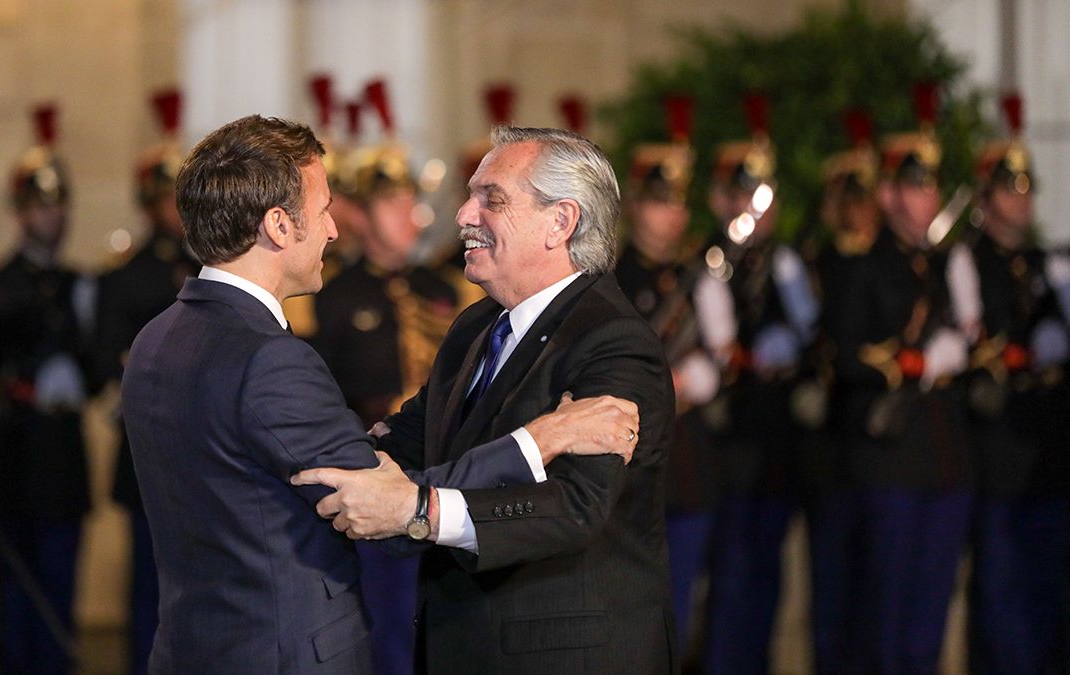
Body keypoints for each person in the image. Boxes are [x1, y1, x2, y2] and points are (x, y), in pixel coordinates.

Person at [120, 115, 640, 675]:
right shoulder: (267, 356)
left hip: (193, 648)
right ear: (277, 225)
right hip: (284, 655)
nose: (333, 231)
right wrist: (540, 439)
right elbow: (382, 510)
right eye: (322, 212)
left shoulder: (160, 336)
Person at [295, 125, 676, 674]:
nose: (464, 215)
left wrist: (422, 510)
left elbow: (574, 507)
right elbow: (407, 444)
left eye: (491, 199)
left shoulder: (613, 341)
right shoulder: (476, 326)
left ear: (560, 222)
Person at [309, 81, 456, 675]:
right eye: (393, 202)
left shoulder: (444, 289)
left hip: (446, 477)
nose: (411, 214)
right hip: (373, 473)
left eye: (410, 200)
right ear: (361, 214)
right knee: (387, 635)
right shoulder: (333, 297)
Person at [833, 83, 974, 673]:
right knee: (885, 613)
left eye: (930, 185)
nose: (926, 196)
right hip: (890, 459)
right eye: (914, 185)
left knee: (931, 609)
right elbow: (846, 354)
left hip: (946, 458)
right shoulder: (867, 266)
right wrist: (913, 362)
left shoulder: (947, 262)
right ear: (888, 193)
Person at [0, 103, 92, 675]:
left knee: (60, 594)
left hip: (64, 460)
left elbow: (96, 374)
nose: (54, 216)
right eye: (43, 204)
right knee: (17, 600)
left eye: (59, 203)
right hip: (15, 459)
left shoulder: (78, 285)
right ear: (21, 211)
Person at [701, 94, 819, 675]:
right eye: (746, 194)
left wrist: (803, 337)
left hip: (776, 443)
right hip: (724, 443)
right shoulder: (708, 261)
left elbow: (815, 342)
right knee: (728, 576)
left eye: (765, 196)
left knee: (765, 574)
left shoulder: (787, 261)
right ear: (721, 199)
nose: (758, 209)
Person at [962, 93, 1070, 675]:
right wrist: (1029, 351)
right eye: (1009, 188)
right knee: (1003, 607)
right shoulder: (971, 261)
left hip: (1048, 454)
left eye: (1026, 189)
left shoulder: (1042, 262)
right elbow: (983, 347)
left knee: (1046, 603)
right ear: (984, 197)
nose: (1021, 201)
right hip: (1001, 455)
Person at [614, 95, 725, 653]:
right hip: (631, 471)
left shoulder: (697, 275)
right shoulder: (608, 278)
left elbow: (721, 355)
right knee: (632, 618)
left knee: (681, 616)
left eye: (679, 202)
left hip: (690, 464)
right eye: (660, 201)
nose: (673, 214)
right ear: (635, 204)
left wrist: (710, 368)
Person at [91, 88, 196, 675]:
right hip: (150, 442)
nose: (171, 211)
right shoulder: (127, 277)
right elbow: (110, 355)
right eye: (163, 199)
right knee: (148, 583)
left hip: (203, 443)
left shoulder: (207, 264)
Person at [804, 108, 882, 675]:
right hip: (828, 447)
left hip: (881, 447)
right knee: (831, 588)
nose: (853, 209)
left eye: (862, 196)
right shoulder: (816, 261)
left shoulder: (887, 263)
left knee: (879, 591)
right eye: (844, 198)